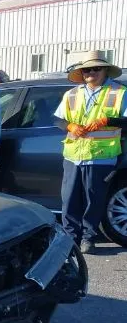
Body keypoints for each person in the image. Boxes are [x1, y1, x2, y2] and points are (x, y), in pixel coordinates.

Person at [53, 50, 127, 254]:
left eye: (96, 68)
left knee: (93, 202)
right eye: (86, 69)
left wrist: (107, 120)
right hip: (73, 155)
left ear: (105, 71)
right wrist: (70, 127)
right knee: (69, 201)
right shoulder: (72, 94)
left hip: (100, 156)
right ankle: (70, 238)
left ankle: (88, 238)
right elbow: (58, 119)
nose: (91, 72)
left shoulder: (119, 93)